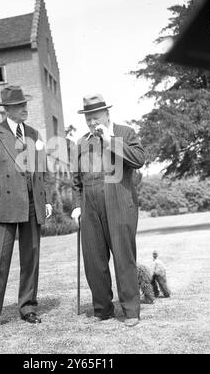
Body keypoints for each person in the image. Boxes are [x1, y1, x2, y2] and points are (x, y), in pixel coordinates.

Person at [0, 85, 52, 334]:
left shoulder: (34, 133)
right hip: (4, 205)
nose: (25, 109)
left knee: (31, 258)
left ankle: (28, 307)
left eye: (26, 104)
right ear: (8, 109)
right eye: (20, 106)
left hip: (32, 203)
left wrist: (47, 199)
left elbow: (42, 170)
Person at [71, 94, 145, 327]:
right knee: (94, 260)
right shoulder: (81, 143)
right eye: (88, 119)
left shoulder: (125, 133)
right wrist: (76, 205)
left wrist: (110, 140)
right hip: (90, 206)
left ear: (107, 115)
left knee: (124, 257)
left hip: (120, 204)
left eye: (96, 118)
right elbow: (76, 179)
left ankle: (131, 310)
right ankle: (103, 309)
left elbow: (139, 159)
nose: (92, 123)